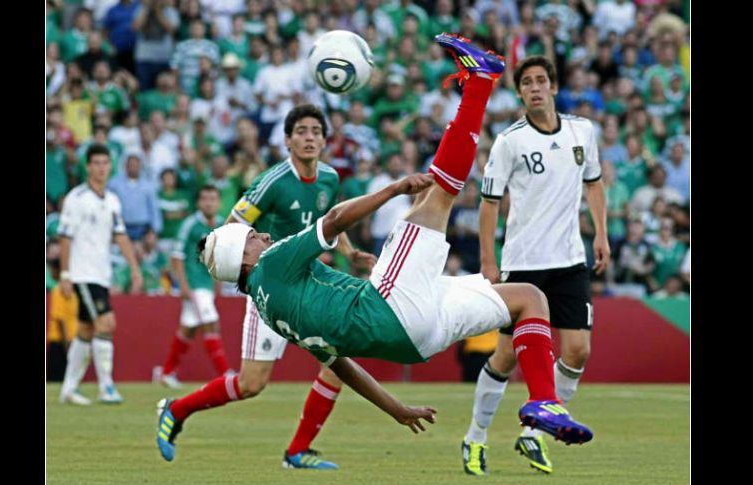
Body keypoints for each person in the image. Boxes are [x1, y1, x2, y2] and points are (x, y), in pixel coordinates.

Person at [156, 34, 593, 464]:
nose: (262, 235)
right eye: (253, 237)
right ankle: (480, 81)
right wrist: (392, 189)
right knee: (437, 193)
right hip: (390, 305)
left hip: (419, 340)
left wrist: (396, 409)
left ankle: (544, 403)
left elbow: (343, 366)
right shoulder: (271, 264)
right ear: (245, 257)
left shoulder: (271, 307)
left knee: (529, 299)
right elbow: (331, 222)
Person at [461, 55, 610, 476]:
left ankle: (535, 435)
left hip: (569, 260)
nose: (535, 88)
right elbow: (489, 203)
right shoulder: (510, 141)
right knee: (506, 358)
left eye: (541, 80)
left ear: (554, 87)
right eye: (527, 83)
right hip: (524, 264)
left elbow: (594, 183)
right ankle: (475, 437)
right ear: (520, 92)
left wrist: (599, 233)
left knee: (578, 351)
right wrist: (489, 260)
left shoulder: (582, 131)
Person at [222, 104, 377, 470]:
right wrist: (257, 264)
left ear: (325, 140)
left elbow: (331, 223)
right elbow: (231, 226)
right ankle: (177, 411)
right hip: (273, 290)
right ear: (288, 140)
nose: (309, 138)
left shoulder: (329, 179)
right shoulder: (272, 181)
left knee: (337, 362)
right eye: (301, 132)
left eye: (315, 132)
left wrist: (350, 253)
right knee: (251, 384)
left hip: (309, 287)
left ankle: (296, 452)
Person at [58, 144, 143, 405]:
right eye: (96, 163)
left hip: (102, 273)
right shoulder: (77, 198)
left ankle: (69, 389)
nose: (101, 168)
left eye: (105, 163)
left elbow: (120, 235)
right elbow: (65, 237)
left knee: (86, 329)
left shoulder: (112, 200)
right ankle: (106, 386)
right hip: (83, 274)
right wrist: (65, 273)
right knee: (106, 324)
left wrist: (135, 269)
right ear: (88, 166)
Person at [160, 185, 231, 387]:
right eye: (205, 199)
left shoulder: (221, 224)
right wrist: (182, 285)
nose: (209, 202)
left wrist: (218, 283)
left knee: (188, 328)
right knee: (211, 323)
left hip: (207, 284)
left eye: (213, 199)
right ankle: (224, 373)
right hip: (194, 284)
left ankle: (167, 372)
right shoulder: (190, 224)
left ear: (218, 202)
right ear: (199, 203)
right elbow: (177, 256)